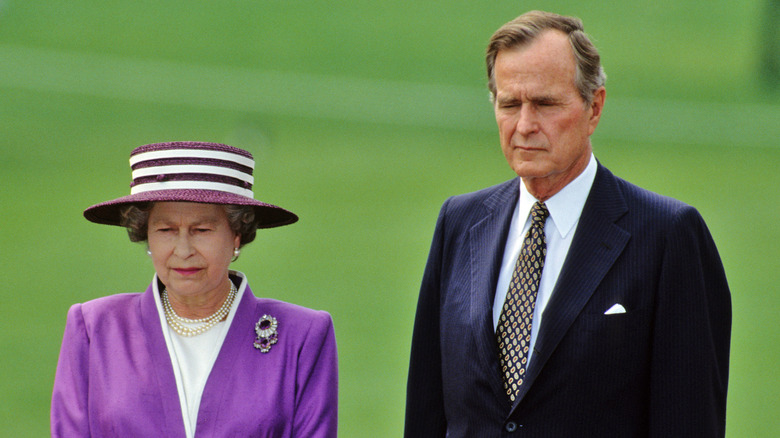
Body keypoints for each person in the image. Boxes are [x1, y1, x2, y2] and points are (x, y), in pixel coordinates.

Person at [405, 11, 731, 437]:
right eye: (509, 104)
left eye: (544, 104)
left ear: (593, 108)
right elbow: (427, 414)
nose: (524, 126)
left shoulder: (668, 236)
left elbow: (689, 422)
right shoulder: (459, 223)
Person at [51, 141, 338, 437]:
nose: (184, 250)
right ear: (145, 235)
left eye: (202, 230)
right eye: (166, 231)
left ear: (237, 235)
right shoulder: (93, 327)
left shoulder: (302, 335)